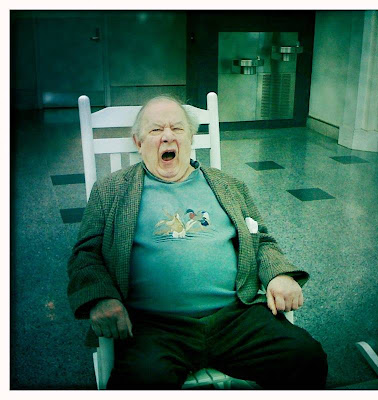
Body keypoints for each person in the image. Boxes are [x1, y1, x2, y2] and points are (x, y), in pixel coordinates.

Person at [67, 95, 328, 389]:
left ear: (190, 138)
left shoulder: (229, 185)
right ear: (138, 142)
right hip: (154, 327)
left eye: (178, 128)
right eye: (156, 130)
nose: (168, 136)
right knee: (141, 382)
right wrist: (101, 297)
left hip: (236, 317)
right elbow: (86, 254)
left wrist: (278, 274)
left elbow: (262, 239)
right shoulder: (110, 191)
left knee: (306, 358)